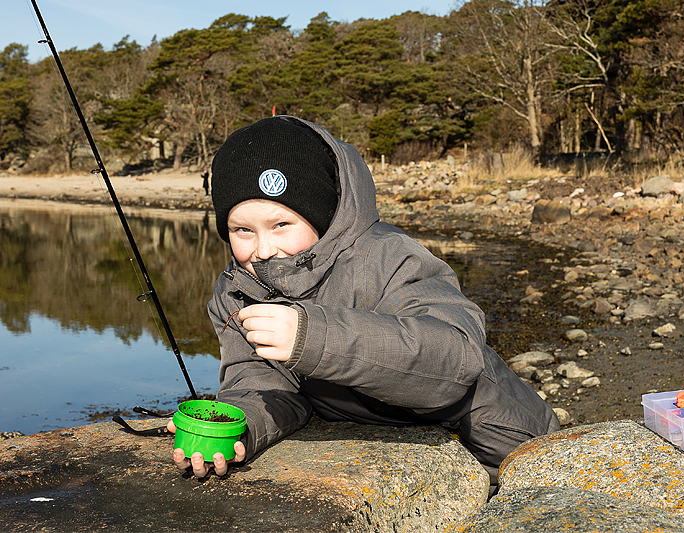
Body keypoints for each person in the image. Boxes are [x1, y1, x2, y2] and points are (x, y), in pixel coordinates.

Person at [168, 116, 560, 487]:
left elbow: (453, 361)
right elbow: (261, 383)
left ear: (321, 215)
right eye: (242, 230)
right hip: (390, 442)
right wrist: (238, 427)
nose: (264, 249)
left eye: (281, 224)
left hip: (504, 444)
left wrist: (312, 337)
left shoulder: (388, 257)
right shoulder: (237, 290)